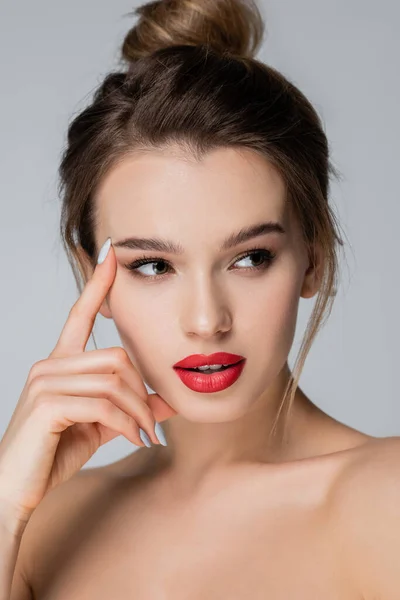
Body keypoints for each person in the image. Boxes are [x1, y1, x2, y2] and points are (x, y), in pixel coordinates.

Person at [1, 0, 400, 598]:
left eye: (249, 258)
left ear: (313, 257)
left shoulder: (386, 500)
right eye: (154, 265)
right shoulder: (40, 524)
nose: (207, 321)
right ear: (95, 279)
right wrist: (4, 504)